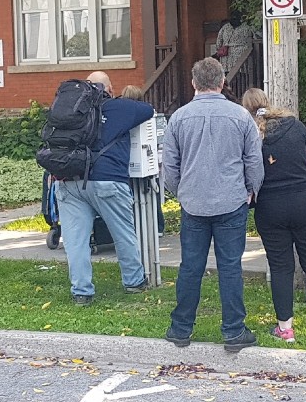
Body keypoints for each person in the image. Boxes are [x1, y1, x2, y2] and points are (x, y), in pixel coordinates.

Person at [163, 58, 264, 352]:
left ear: (194, 83)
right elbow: (254, 161)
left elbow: (169, 165)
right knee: (230, 267)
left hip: (193, 202)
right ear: (222, 82)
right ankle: (233, 331)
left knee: (190, 267)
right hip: (231, 200)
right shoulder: (241, 117)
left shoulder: (179, 118)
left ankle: (181, 328)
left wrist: (179, 191)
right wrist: (251, 190)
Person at [242, 88, 306, 342]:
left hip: (270, 207)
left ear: (246, 109)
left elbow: (249, 172)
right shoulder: (295, 126)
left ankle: (285, 328)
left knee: (281, 267)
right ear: (267, 103)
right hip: (305, 201)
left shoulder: (252, 135)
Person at [54, 72, 154, 305]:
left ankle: (81, 292)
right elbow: (147, 110)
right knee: (123, 233)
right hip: (107, 180)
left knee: (76, 242)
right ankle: (134, 282)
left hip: (68, 180)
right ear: (110, 88)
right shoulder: (120, 107)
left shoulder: (70, 110)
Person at [120, 84, 165, 238]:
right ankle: (157, 226)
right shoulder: (152, 115)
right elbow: (161, 140)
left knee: (130, 198)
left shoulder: (121, 116)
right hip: (151, 165)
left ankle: (135, 227)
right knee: (153, 197)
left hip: (128, 165)